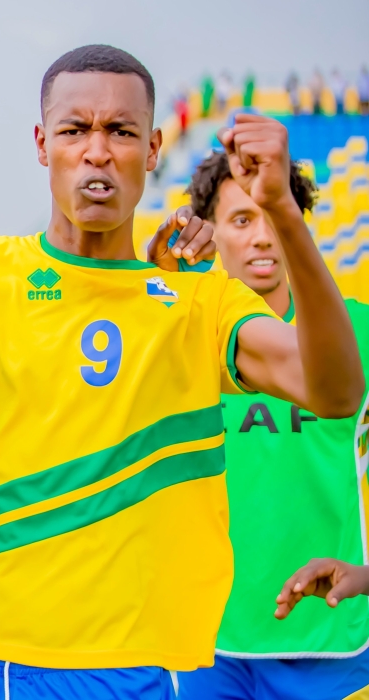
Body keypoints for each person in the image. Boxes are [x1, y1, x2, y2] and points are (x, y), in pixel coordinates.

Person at [0, 44, 363, 699]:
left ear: (152, 149)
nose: (97, 150)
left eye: (120, 132)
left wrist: (284, 213)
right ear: (41, 143)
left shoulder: (202, 301)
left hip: (160, 669)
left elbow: (335, 390)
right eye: (74, 130)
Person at [173, 151, 369, 699]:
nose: (262, 237)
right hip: (206, 645)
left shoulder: (360, 332)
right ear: (209, 233)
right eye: (241, 219)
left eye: (276, 218)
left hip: (331, 639)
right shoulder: (179, 334)